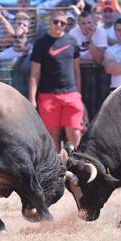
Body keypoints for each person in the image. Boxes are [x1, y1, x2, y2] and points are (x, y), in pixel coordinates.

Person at [29, 11, 83, 150]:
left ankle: (79, 166)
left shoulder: (71, 41)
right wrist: (32, 100)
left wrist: (78, 93)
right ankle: (58, 169)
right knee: (52, 136)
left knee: (75, 133)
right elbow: (34, 73)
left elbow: (77, 70)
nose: (59, 25)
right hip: (48, 95)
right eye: (56, 22)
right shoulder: (41, 43)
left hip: (71, 94)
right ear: (50, 21)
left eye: (63, 23)